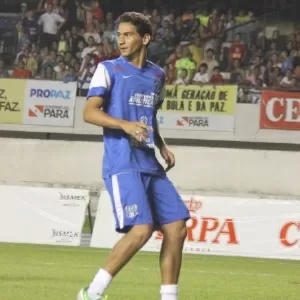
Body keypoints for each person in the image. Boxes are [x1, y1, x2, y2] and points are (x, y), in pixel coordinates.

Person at [78, 12, 190, 300]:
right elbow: (90, 112)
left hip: (149, 162)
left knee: (177, 228)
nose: (121, 40)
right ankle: (92, 293)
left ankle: (169, 297)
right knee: (142, 230)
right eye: (119, 35)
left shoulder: (157, 75)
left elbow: (149, 116)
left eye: (128, 34)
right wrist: (125, 125)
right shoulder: (108, 69)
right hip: (122, 162)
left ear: (145, 38)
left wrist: (162, 144)